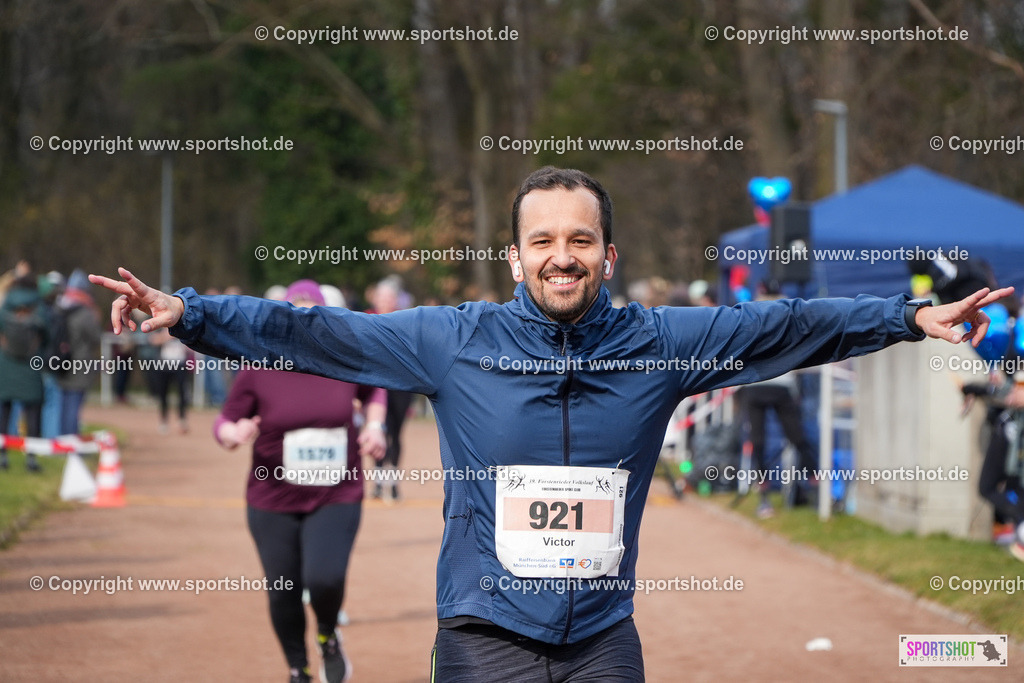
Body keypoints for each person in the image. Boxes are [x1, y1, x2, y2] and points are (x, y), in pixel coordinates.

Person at [91, 166, 1012, 682]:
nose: (560, 256)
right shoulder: (452, 340)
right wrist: (193, 313)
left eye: (579, 240)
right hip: (483, 633)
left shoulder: (662, 343)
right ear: (515, 255)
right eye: (543, 241)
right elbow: (315, 333)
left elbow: (788, 326)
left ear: (608, 254)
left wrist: (905, 315)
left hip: (604, 636)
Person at [214, 279, 388, 683]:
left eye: (313, 314)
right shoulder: (259, 363)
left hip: (336, 493)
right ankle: (299, 669)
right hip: (271, 498)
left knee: (324, 578)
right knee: (283, 589)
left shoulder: (342, 358)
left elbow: (376, 391)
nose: (304, 323)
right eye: (296, 314)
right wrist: (233, 433)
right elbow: (224, 421)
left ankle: (327, 635)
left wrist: (375, 426)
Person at [366, 277, 414, 501]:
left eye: (389, 297)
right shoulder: (366, 318)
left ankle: (392, 483)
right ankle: (378, 482)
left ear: (396, 300)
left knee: (395, 434)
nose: (385, 301)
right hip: (376, 385)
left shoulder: (404, 321)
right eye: (381, 297)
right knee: (378, 431)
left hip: (400, 387)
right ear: (375, 298)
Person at [0, 274, 47, 472]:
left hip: (5, 366)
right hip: (31, 367)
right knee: (33, 414)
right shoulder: (39, 307)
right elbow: (47, 336)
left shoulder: (5, 306)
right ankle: (31, 458)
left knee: (4, 413)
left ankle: (2, 455)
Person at [54, 269, 101, 436]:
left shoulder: (59, 308)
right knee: (73, 408)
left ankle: (62, 441)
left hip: (60, 362)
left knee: (63, 407)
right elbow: (96, 337)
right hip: (80, 365)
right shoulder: (84, 312)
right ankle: (71, 442)